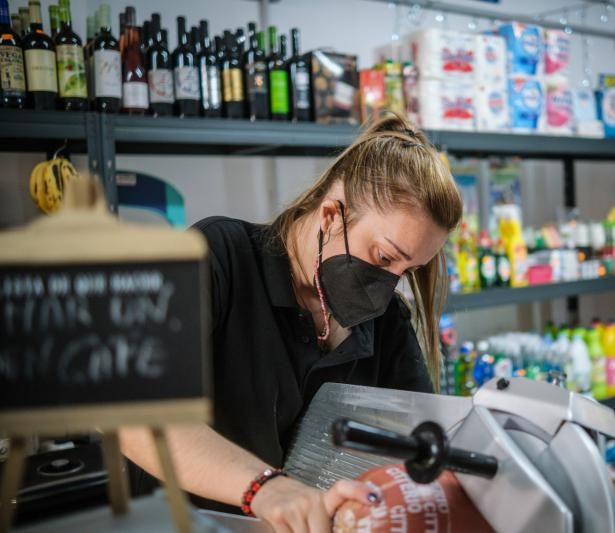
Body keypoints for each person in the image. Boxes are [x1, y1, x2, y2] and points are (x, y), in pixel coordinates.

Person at [120, 114, 463, 532]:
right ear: (331, 216)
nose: (388, 284)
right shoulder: (220, 258)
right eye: (385, 257)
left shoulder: (387, 321)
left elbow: (420, 450)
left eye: (407, 270)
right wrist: (267, 489)